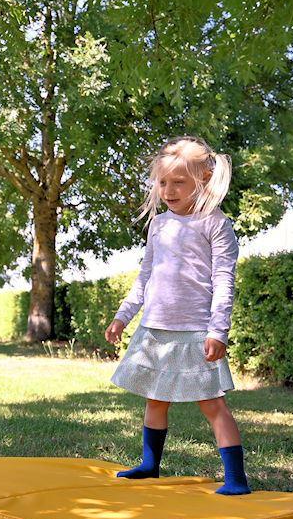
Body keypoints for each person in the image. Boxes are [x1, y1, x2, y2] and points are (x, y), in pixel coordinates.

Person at [106, 136, 251, 495]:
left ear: (204, 180)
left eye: (178, 182)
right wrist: (123, 316)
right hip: (155, 328)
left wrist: (218, 331)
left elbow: (224, 280)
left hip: (195, 330)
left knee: (212, 403)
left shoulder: (215, 224)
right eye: (163, 182)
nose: (168, 190)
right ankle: (149, 465)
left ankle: (236, 478)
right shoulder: (159, 225)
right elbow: (145, 276)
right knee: (155, 398)